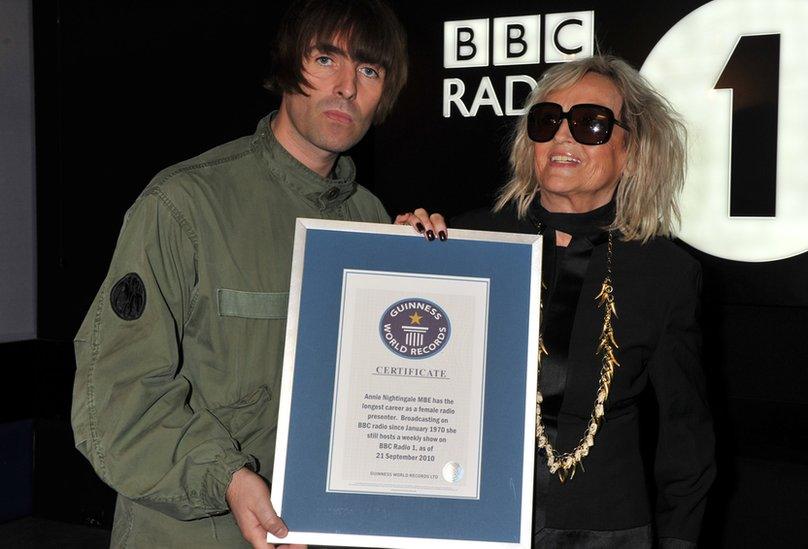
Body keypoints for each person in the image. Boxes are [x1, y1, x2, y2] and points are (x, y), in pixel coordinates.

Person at [69, 1, 434, 547]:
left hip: (324, 532)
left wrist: (429, 269)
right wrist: (229, 479)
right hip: (195, 532)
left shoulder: (372, 220)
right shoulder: (184, 205)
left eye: (369, 70)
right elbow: (117, 399)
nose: (346, 88)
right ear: (289, 65)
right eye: (326, 58)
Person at [449, 55, 717, 548]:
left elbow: (686, 433)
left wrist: (678, 542)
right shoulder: (470, 239)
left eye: (591, 123)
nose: (563, 137)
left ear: (631, 149)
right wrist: (407, 255)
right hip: (471, 516)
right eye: (547, 120)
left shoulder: (665, 272)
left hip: (605, 529)